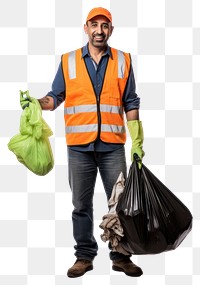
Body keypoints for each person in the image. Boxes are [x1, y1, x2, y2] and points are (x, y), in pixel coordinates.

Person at [21, 7, 145, 278]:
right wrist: (36, 103)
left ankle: (121, 256)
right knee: (81, 204)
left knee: (121, 204)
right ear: (86, 28)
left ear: (111, 29)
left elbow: (130, 101)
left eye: (105, 25)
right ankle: (84, 256)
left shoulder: (123, 60)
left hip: (112, 145)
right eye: (94, 25)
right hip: (79, 147)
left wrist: (138, 139)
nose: (99, 31)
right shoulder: (69, 60)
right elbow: (55, 97)